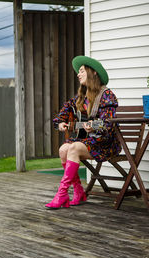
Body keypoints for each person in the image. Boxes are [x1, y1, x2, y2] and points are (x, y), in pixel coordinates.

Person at [46, 55, 122, 209]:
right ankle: (79, 191)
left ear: (93, 72)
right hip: (90, 142)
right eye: (78, 71)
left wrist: (95, 125)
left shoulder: (107, 95)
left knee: (73, 148)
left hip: (106, 143)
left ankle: (61, 194)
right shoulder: (82, 96)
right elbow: (65, 110)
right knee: (63, 149)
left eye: (81, 71)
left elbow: (108, 123)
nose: (78, 74)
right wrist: (61, 122)